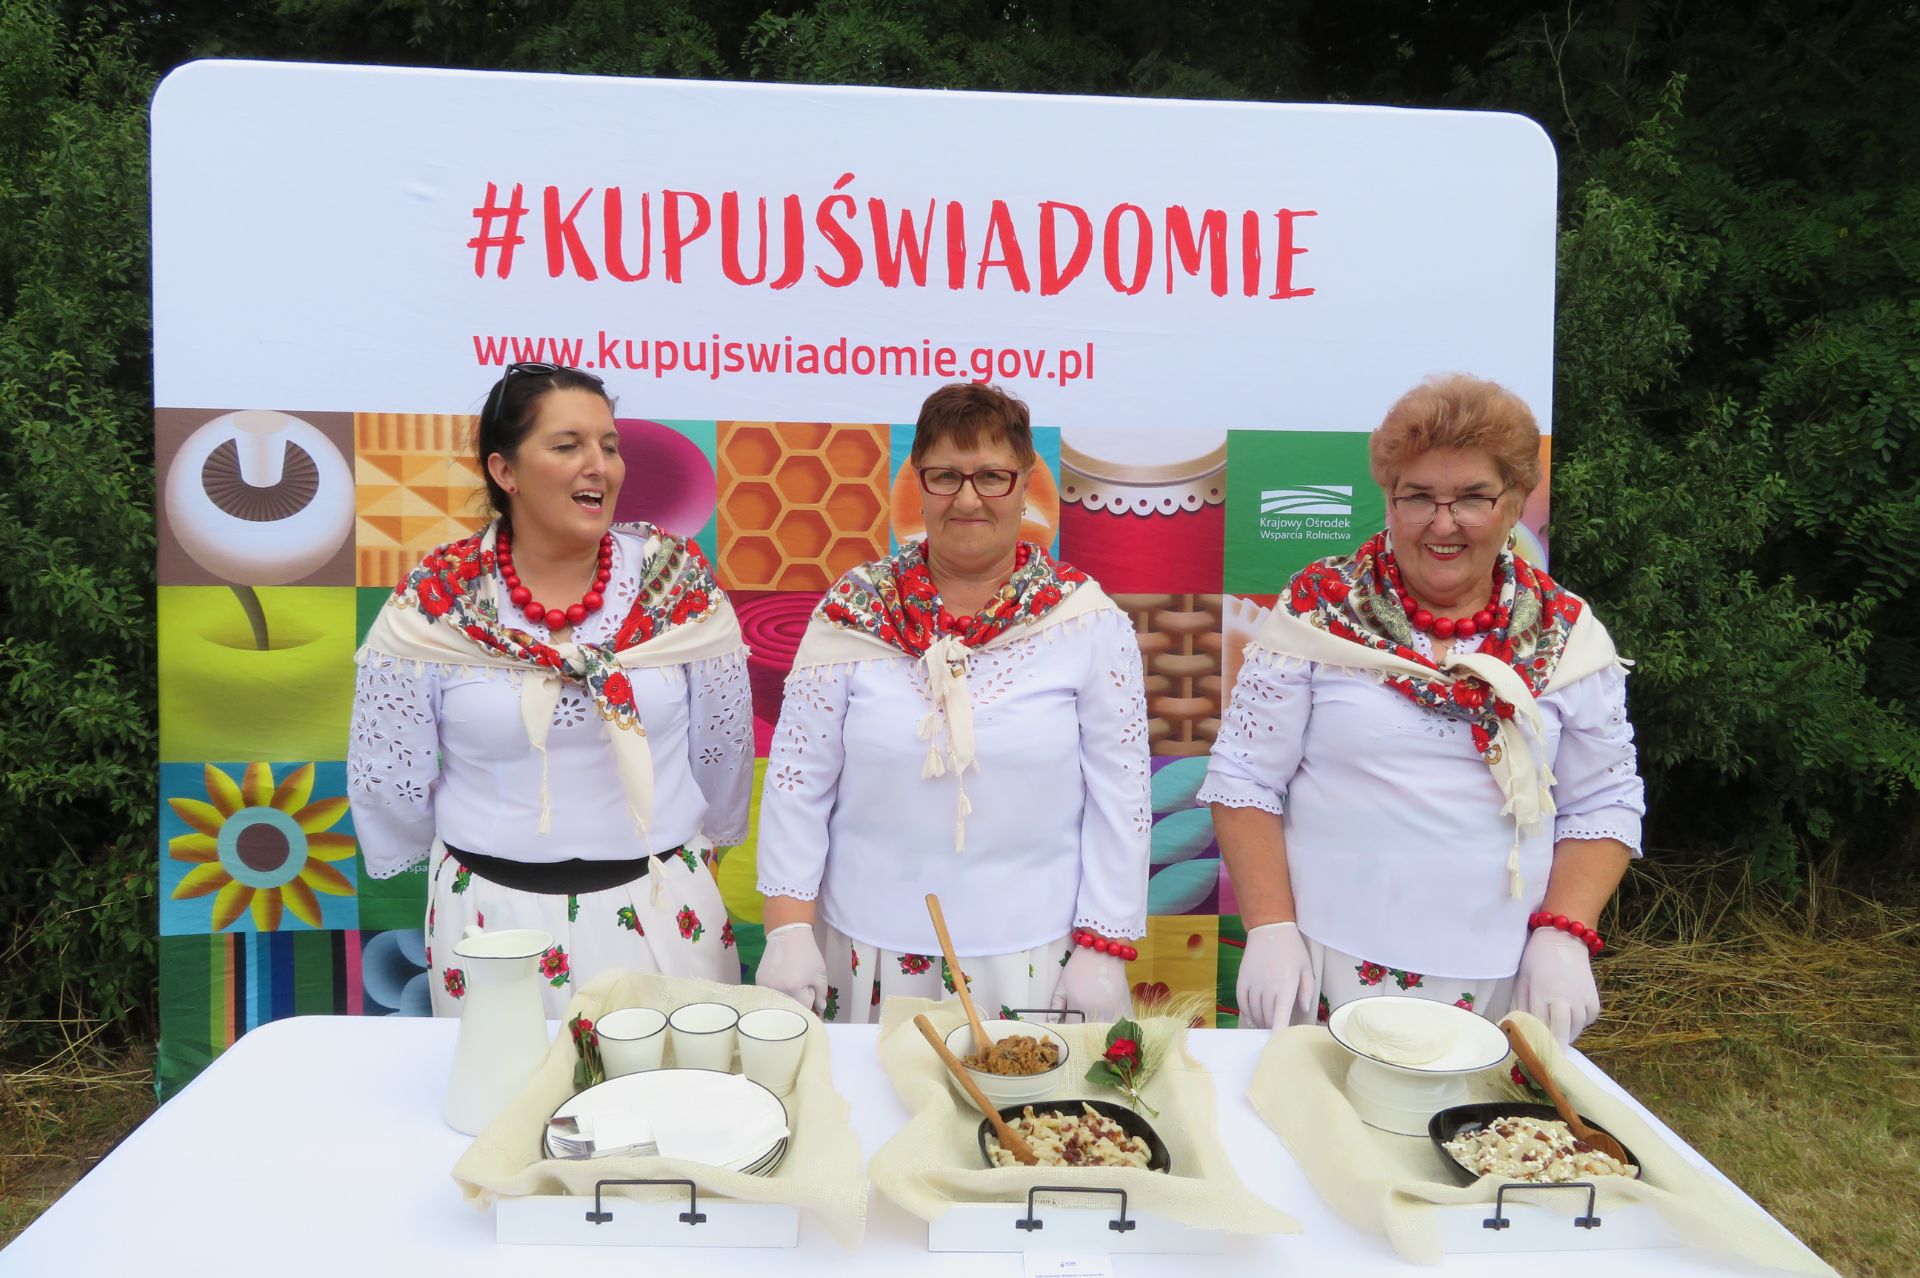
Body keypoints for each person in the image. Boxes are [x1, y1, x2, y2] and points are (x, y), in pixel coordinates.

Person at [1201, 374, 1643, 1043]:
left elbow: (1604, 800)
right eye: (1418, 497)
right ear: (1389, 498)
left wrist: (1566, 933)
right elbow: (1245, 777)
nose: (1443, 523)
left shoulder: (1566, 634)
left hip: (1505, 977)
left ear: (1514, 501)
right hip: (1323, 967)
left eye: (1472, 497)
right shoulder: (1319, 609)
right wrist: (1270, 927)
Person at [348, 362, 753, 1016]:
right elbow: (392, 777)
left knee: (677, 1082)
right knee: (505, 1083)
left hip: (662, 909)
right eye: (568, 446)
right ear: (505, 471)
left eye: (609, 446)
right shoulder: (438, 599)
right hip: (491, 925)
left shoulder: (676, 585)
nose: (600, 466)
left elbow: (722, 753)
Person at [751, 383, 1150, 1024]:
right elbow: (798, 784)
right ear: (918, 484)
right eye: (945, 476)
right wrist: (788, 930)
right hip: (867, 952)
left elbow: (1120, 796)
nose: (968, 499)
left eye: (991, 476)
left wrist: (1105, 946)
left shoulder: (1086, 622)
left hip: (1037, 958)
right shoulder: (852, 611)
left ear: (1025, 484)